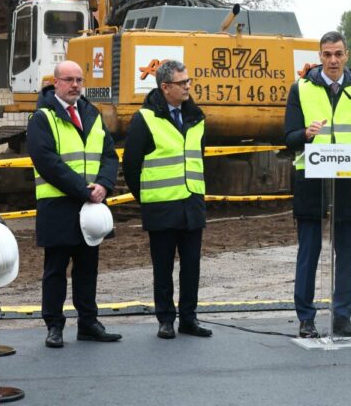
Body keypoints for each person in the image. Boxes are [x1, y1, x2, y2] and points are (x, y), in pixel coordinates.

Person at [284, 31, 351, 338]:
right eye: (327, 54)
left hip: (349, 182)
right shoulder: (300, 89)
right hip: (312, 181)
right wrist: (306, 134)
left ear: (347, 56)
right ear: (319, 56)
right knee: (309, 252)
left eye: (338, 54)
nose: (333, 60)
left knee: (347, 253)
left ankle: (343, 317)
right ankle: (306, 318)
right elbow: (289, 139)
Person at [26, 60, 121, 348]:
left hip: (90, 207)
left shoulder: (91, 114)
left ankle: (88, 322)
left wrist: (103, 184)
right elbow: (47, 162)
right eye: (69, 80)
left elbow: (109, 155)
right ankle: (54, 325)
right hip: (59, 206)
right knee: (55, 270)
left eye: (79, 80)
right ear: (55, 83)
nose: (75, 85)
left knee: (87, 269)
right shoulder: (42, 118)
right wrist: (84, 191)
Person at [122, 60, 213, 339]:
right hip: (161, 206)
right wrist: (147, 197)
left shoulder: (196, 117)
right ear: (165, 87)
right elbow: (131, 166)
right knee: (163, 268)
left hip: (191, 205)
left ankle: (189, 318)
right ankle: (165, 319)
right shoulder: (145, 119)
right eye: (182, 82)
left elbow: (198, 158)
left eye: (188, 81)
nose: (188, 86)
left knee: (191, 267)